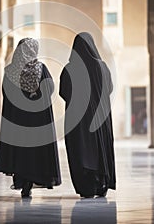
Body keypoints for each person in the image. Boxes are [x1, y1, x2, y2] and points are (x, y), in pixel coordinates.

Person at [0, 37, 61, 198]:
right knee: (35, 152)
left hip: (17, 119)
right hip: (37, 120)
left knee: (20, 151)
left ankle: (23, 181)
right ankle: (30, 181)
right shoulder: (41, 68)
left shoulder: (10, 70)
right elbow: (50, 88)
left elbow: (5, 92)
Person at [59, 32, 116, 198]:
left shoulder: (69, 69)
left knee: (80, 150)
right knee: (101, 148)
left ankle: (86, 187)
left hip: (78, 121)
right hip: (100, 118)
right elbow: (110, 89)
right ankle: (102, 183)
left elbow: (64, 93)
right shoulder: (102, 66)